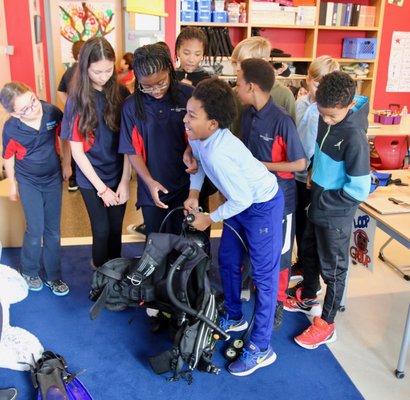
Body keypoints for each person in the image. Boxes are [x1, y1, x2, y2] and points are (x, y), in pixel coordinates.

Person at [184, 77, 284, 376]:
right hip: (239, 203)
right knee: (227, 260)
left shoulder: (220, 150)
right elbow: (199, 162)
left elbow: (244, 197)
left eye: (192, 115)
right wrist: (192, 192)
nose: (185, 119)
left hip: (261, 206)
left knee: (264, 280)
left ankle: (261, 348)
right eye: (186, 112)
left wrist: (209, 218)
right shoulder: (197, 136)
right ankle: (234, 315)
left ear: (213, 123)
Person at [284, 71, 371, 349]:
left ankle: (327, 323)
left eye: (332, 116)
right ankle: (308, 295)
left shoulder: (354, 137)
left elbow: (358, 190)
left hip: (335, 213)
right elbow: (320, 153)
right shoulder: (326, 116)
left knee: (334, 270)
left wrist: (326, 201)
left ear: (347, 105)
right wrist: (312, 171)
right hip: (317, 200)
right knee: (307, 251)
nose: (325, 120)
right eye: (323, 114)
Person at [236, 58, 306, 329]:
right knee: (249, 243)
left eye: (239, 82)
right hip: (250, 196)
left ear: (252, 86)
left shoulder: (282, 121)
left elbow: (300, 163)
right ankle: (249, 285)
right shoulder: (246, 114)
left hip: (281, 200)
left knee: (281, 253)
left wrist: (264, 166)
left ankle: (277, 301)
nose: (236, 86)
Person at [61, 37, 131, 269]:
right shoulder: (77, 99)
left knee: (115, 228)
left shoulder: (121, 93)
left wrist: (124, 182)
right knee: (101, 230)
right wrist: (102, 189)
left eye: (108, 70)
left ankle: (115, 273)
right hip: (91, 178)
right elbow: (77, 151)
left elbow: (129, 143)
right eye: (97, 71)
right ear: (85, 68)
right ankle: (101, 274)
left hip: (118, 171)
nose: (103, 76)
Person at [0, 82, 71, 295]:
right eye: (25, 109)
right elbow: (9, 157)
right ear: (14, 113)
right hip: (28, 180)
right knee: (36, 228)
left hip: (52, 178)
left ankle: (53, 275)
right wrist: (13, 184)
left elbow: (65, 138)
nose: (34, 108)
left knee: (53, 231)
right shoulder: (11, 127)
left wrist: (67, 163)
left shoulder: (51, 112)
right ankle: (29, 270)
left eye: (33, 100)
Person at [120, 43, 195, 236]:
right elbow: (132, 150)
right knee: (156, 244)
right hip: (151, 188)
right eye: (147, 86)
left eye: (161, 82)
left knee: (186, 244)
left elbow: (202, 135)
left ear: (169, 70)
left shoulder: (188, 96)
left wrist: (190, 148)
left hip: (188, 184)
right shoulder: (131, 107)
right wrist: (149, 182)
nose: (156, 90)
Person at [291, 56, 339, 287]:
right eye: (316, 83)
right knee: (299, 221)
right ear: (308, 80)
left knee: (311, 229)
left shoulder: (326, 111)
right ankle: (301, 262)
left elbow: (319, 146)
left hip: (313, 175)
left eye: (324, 84)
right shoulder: (301, 104)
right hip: (296, 172)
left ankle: (311, 274)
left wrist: (310, 168)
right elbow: (298, 135)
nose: (319, 89)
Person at [231, 36, 296, 122]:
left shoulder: (285, 95)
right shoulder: (233, 94)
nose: (237, 68)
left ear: (263, 62)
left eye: (243, 63)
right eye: (235, 63)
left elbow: (290, 131)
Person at [57, 39, 85, 192]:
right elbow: (61, 90)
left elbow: (60, 91)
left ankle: (75, 179)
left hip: (80, 114)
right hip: (78, 115)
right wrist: (70, 105)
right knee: (76, 144)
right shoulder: (73, 71)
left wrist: (68, 104)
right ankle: (75, 179)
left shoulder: (71, 70)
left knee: (76, 144)